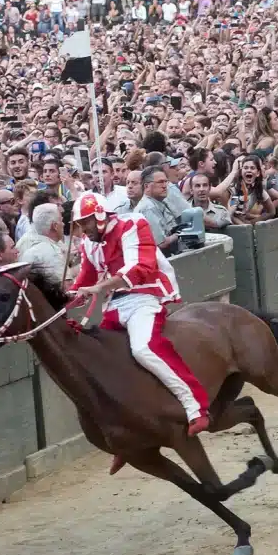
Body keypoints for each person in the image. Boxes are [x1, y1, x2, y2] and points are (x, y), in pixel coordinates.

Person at [68, 192, 211, 474]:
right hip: (113, 306)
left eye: (84, 223)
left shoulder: (132, 225)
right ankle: (126, 442)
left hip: (143, 299)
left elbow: (140, 269)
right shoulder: (89, 242)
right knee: (104, 363)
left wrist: (99, 288)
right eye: (80, 225)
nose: (81, 230)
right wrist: (69, 296)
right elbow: (85, 277)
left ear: (99, 216)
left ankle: (195, 406)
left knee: (144, 348)